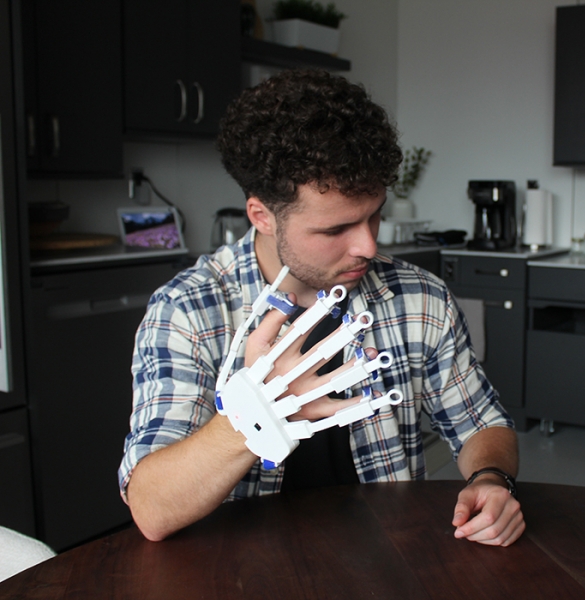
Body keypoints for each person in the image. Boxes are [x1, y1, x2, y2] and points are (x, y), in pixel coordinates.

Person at [118, 68, 524, 547]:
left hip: (388, 561)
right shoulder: (187, 312)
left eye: (375, 215)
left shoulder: (420, 298)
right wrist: (253, 413)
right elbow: (151, 509)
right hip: (240, 576)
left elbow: (483, 424)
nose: (368, 246)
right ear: (262, 216)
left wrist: (491, 480)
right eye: (335, 230)